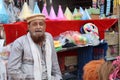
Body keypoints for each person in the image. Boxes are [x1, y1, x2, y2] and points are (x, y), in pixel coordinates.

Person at [7, 13, 63, 80]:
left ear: (45, 26)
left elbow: (55, 63)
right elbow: (12, 71)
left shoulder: (48, 38)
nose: (38, 27)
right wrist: (36, 78)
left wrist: (58, 78)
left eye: (41, 24)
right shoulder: (20, 43)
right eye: (34, 24)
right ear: (28, 27)